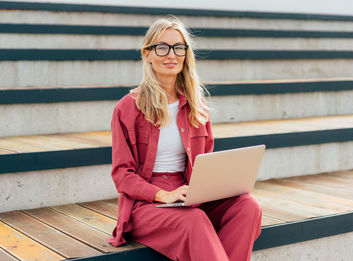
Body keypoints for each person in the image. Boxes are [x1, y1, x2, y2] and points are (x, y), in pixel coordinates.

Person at [107, 17, 262, 261]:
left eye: (179, 47)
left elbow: (206, 163)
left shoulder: (197, 108)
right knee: (194, 220)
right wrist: (163, 195)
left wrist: (215, 186)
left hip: (189, 194)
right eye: (162, 47)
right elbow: (122, 176)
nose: (171, 54)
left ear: (186, 54)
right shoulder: (127, 108)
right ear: (147, 54)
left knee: (248, 206)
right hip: (146, 205)